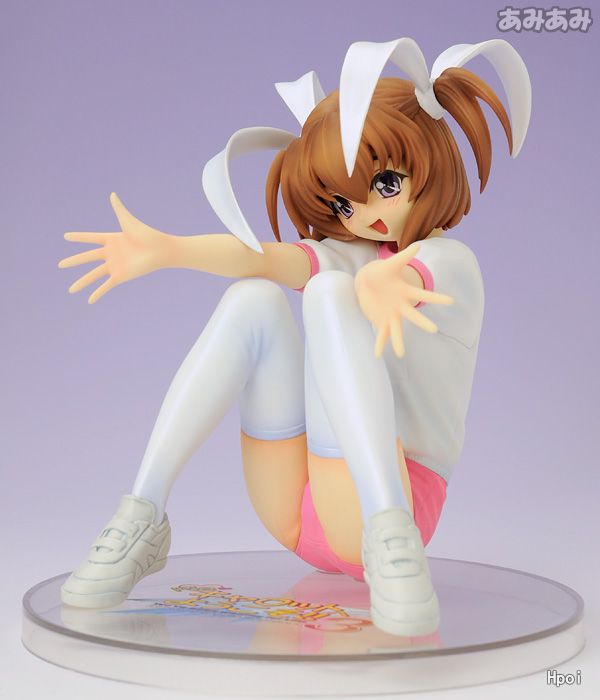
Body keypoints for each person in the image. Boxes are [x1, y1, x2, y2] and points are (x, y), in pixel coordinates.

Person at [58, 37, 531, 636]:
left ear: (430, 165)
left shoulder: (453, 262)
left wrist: (378, 283)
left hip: (391, 499)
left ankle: (391, 533)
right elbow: (261, 258)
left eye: (386, 184)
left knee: (330, 293)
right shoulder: (349, 252)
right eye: (344, 204)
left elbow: (407, 275)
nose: (364, 215)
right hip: (295, 504)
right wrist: (170, 250)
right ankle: (142, 515)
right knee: (253, 297)